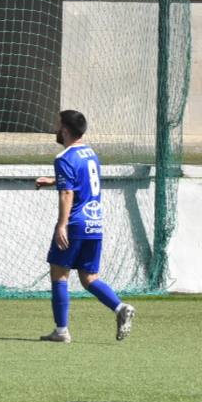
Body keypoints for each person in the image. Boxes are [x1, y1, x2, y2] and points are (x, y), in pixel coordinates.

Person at [33, 110, 136, 344]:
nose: (55, 130)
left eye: (57, 126)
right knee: (89, 278)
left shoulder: (63, 158)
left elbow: (68, 192)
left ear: (66, 130)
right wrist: (53, 181)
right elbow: (83, 181)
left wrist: (62, 225)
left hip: (75, 223)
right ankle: (120, 307)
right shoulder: (90, 154)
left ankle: (61, 331)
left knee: (59, 274)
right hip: (95, 223)